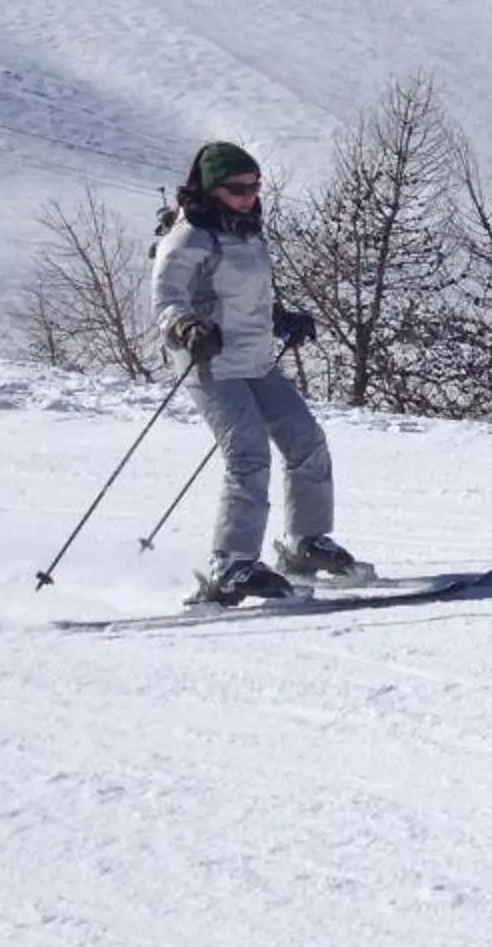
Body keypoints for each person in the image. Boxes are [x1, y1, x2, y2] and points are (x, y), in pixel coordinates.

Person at [148, 140, 371, 604]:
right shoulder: (189, 237)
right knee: (247, 456)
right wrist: (186, 327)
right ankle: (231, 564)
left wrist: (281, 318)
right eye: (238, 188)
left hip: (255, 358)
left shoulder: (246, 230)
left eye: (255, 186)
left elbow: (247, 295)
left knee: (306, 440)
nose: (250, 195)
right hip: (212, 365)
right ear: (212, 190)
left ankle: (305, 544)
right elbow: (167, 299)